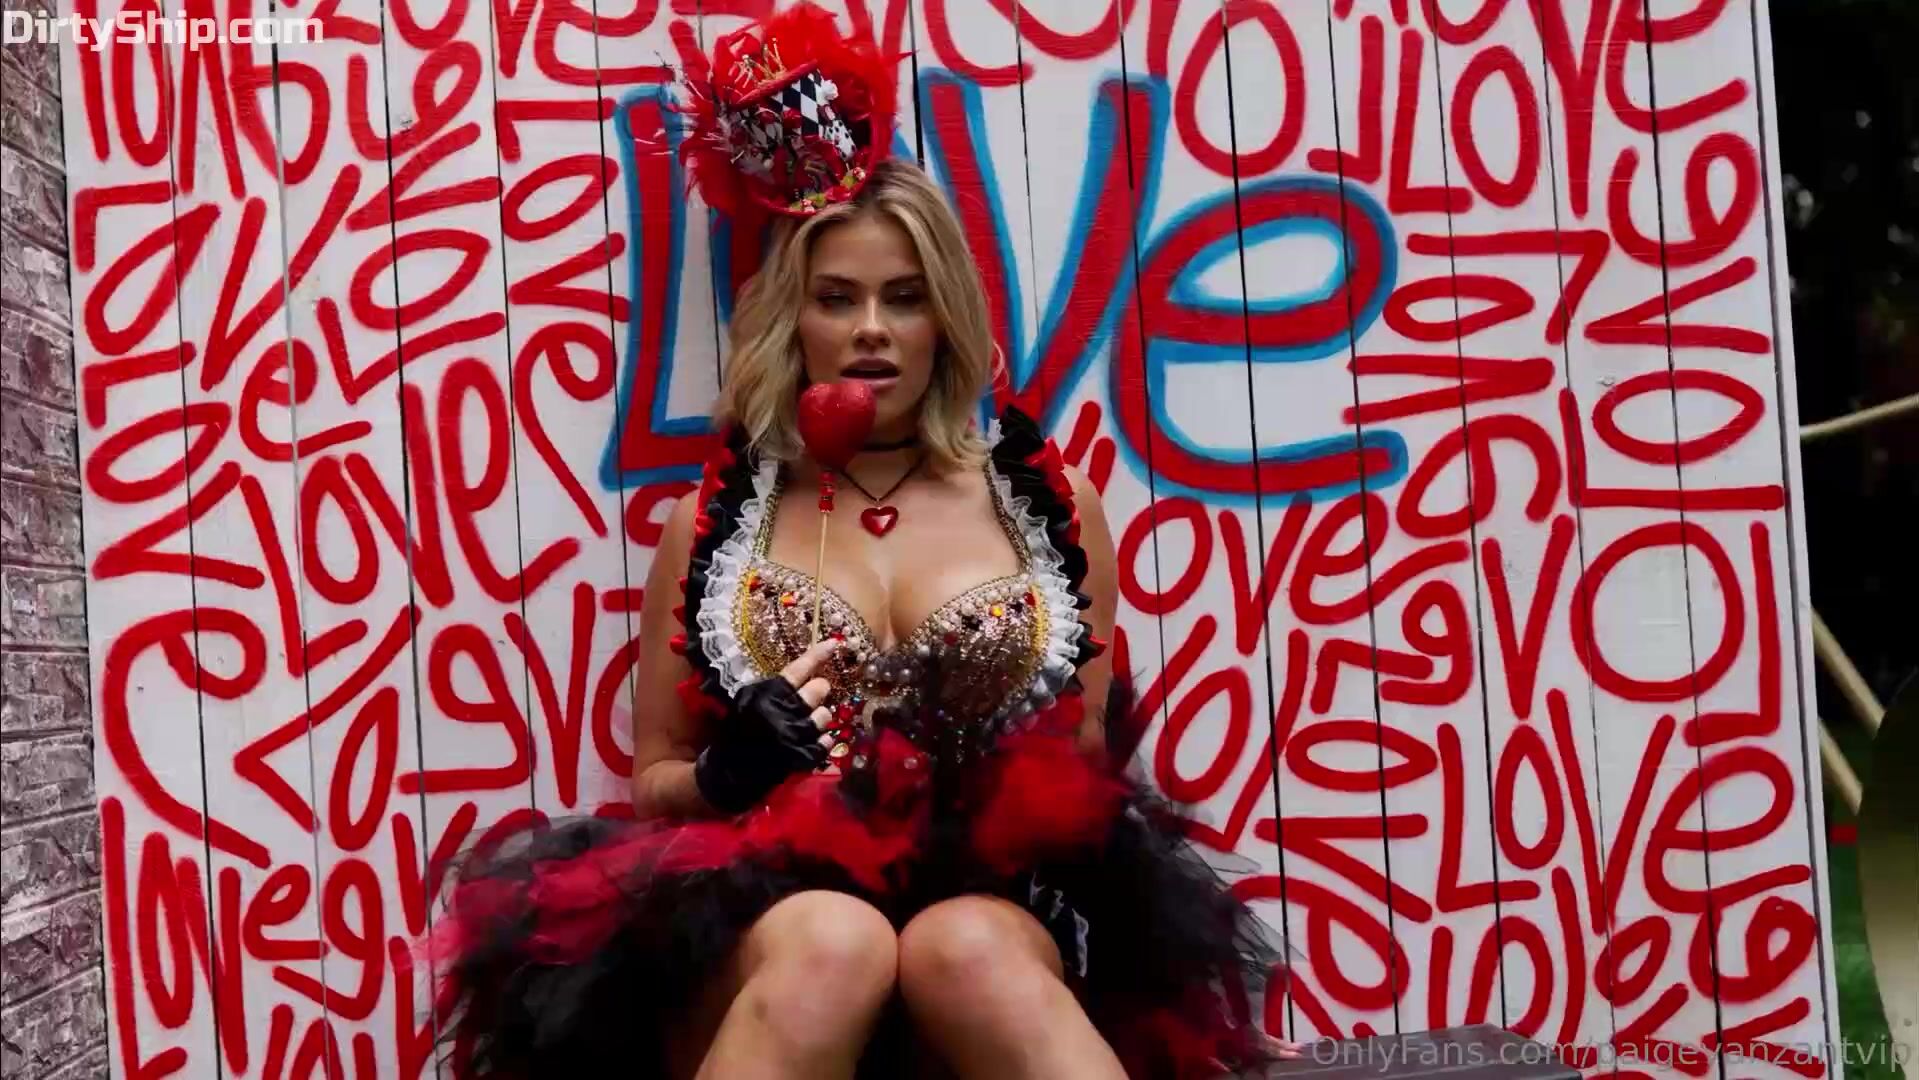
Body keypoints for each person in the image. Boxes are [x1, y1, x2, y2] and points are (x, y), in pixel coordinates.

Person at [423, 6, 1300, 1078]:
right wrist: (728, 770)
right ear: (793, 321)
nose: (872, 328)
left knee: (965, 948)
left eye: (904, 298)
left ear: (945, 320)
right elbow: (654, 775)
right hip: (770, 911)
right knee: (836, 942)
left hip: (994, 910)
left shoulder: (1046, 506)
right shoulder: (713, 524)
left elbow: (1084, 767)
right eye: (836, 299)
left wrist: (984, 767)